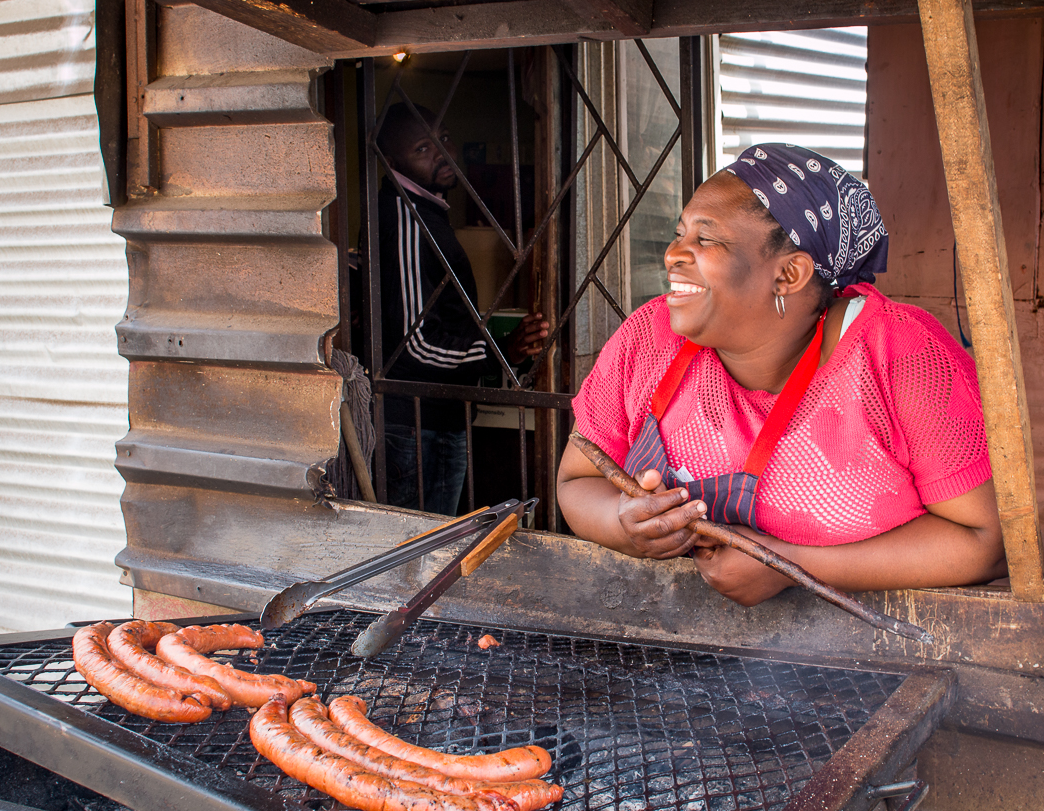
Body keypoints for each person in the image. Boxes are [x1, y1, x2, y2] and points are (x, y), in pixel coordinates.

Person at [557, 144, 1006, 605]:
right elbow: (576, 481)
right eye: (679, 233)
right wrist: (623, 523)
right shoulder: (649, 339)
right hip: (677, 651)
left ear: (789, 273)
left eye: (706, 239)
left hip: (867, 660)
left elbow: (987, 543)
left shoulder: (902, 355)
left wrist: (788, 566)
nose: (673, 253)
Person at [377, 103, 548, 515]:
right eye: (423, 148)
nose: (442, 151)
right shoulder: (405, 215)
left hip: (440, 417)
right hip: (418, 423)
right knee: (421, 555)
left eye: (444, 138)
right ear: (394, 161)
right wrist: (498, 351)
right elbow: (414, 344)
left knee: (437, 551)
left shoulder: (430, 211)